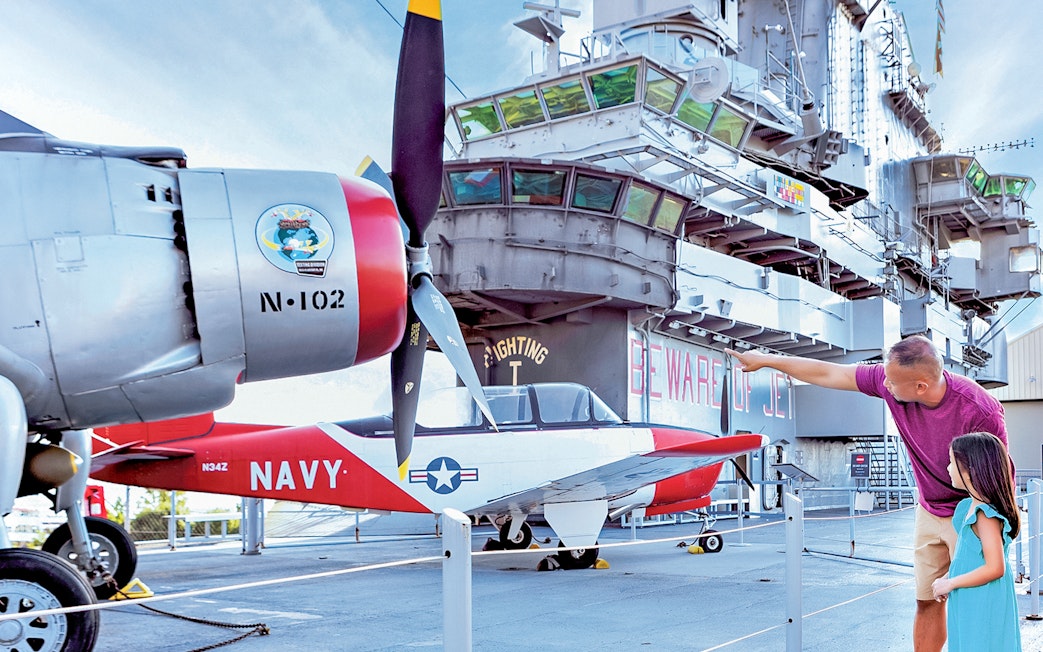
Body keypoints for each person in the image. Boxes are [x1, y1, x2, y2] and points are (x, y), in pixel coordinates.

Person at [725, 334, 1007, 652]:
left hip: (970, 514)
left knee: (972, 603)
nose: (884, 385)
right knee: (927, 599)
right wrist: (767, 360)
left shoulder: (980, 410)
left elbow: (998, 477)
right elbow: (830, 372)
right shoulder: (893, 379)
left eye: (891, 382)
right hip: (929, 509)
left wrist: (998, 532)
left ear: (920, 387)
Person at [931, 432, 1021, 651]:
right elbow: (968, 558)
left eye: (952, 462)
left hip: (983, 600)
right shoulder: (969, 507)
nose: (948, 468)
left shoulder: (985, 516)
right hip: (970, 597)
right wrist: (947, 577)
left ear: (970, 470)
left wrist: (951, 583)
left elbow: (995, 567)